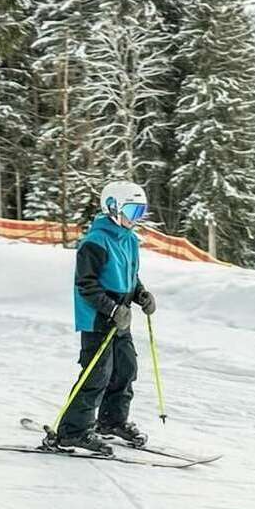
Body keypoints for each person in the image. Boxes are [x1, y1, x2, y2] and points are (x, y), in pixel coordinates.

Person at [55, 181, 156, 454]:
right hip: (98, 317)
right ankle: (71, 432)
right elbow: (86, 285)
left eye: (140, 212)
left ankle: (111, 421)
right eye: (132, 211)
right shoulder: (95, 242)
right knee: (97, 375)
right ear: (112, 207)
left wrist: (141, 294)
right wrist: (112, 309)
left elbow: (130, 276)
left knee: (125, 369)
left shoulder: (130, 240)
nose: (137, 219)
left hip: (120, 316)